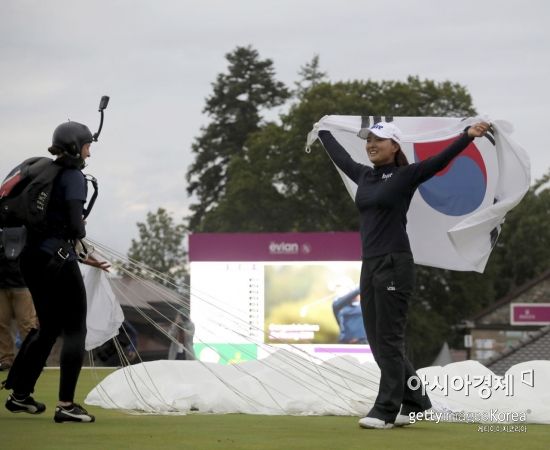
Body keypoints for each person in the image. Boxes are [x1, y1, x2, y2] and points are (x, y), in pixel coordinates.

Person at [318, 120, 490, 429]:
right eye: (369, 140)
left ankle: (385, 410)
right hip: (370, 265)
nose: (371, 144)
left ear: (395, 146)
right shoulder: (365, 175)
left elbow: (440, 160)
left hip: (394, 264)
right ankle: (415, 402)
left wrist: (468, 136)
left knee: (389, 340)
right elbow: (341, 157)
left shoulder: (405, 175)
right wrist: (322, 130)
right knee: (376, 341)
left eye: (379, 140)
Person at [3, 121, 110, 423]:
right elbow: (75, 227)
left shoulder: (43, 171)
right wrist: (80, 231)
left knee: (48, 329)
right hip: (58, 261)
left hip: (31, 259)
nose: (89, 152)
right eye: (87, 146)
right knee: (75, 330)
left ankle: (20, 395)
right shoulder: (73, 177)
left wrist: (82, 254)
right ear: (76, 147)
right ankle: (66, 405)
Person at [0, 249, 38, 372]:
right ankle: (5, 360)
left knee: (27, 323)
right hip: (2, 284)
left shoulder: (24, 236)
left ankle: (31, 359)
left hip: (22, 283)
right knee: (1, 324)